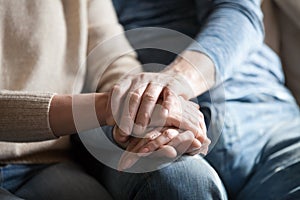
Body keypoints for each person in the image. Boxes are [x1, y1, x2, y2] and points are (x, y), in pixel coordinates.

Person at [74, 0, 300, 199]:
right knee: (179, 183)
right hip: (138, 124)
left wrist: (177, 79)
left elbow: (239, 13)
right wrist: (142, 108)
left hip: (263, 115)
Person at [0, 0, 204, 199]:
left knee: (190, 178)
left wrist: (146, 108)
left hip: (48, 162)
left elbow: (113, 60)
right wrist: (110, 106)